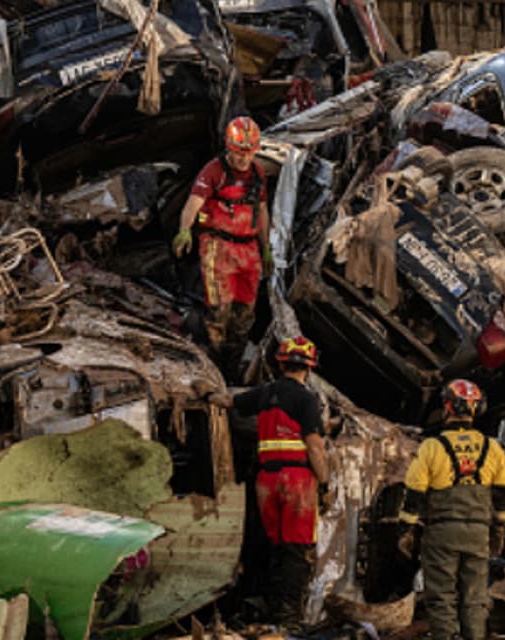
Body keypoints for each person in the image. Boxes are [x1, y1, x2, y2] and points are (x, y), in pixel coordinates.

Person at [216, 336, 330, 631]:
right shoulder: (307, 399)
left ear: (280, 363)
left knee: (274, 546)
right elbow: (315, 447)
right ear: (309, 368)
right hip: (297, 482)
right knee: (297, 550)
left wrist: (205, 394)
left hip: (265, 481)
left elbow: (228, 400)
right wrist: (325, 482)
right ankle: (288, 620)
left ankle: (267, 608)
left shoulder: (264, 393)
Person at [398, 380, 505, 640]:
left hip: (441, 534)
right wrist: (498, 529)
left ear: (447, 406)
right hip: (478, 534)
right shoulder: (492, 448)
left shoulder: (431, 447)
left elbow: (414, 493)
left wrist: (406, 530)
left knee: (441, 598)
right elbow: (504, 494)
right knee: (475, 598)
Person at [173, 116, 273, 363]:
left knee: (245, 309)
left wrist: (267, 247)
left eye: (249, 153)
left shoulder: (258, 173)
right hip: (218, 246)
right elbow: (192, 205)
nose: (244, 159)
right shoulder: (213, 171)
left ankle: (234, 357)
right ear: (229, 148)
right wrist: (185, 230)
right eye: (239, 153)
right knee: (219, 308)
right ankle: (214, 357)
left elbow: (261, 211)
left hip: (248, 248)